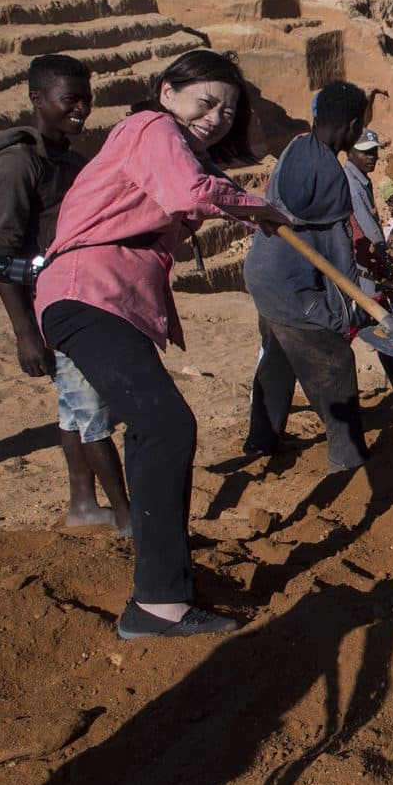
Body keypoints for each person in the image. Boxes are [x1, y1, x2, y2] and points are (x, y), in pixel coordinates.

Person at [35, 49, 285, 638]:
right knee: (165, 425)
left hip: (108, 300)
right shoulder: (150, 127)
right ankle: (158, 603)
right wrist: (263, 210)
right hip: (86, 293)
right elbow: (190, 193)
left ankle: (164, 583)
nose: (217, 116)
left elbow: (203, 185)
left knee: (160, 426)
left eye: (228, 110)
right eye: (207, 101)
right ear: (167, 90)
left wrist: (259, 214)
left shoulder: (169, 143)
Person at [0, 55, 131, 533]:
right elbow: (2, 257)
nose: (82, 109)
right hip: (52, 309)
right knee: (92, 411)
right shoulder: (17, 163)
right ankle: (130, 519)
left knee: (73, 408)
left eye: (86, 99)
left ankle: (84, 506)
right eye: (70, 100)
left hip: (72, 296)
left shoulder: (66, 158)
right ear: (37, 100)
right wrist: (25, 333)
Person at [244, 81, 371, 472]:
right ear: (351, 126)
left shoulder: (297, 145)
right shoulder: (331, 178)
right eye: (362, 127)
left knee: (280, 352)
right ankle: (347, 459)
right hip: (291, 288)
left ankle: (262, 437)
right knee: (334, 363)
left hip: (262, 271)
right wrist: (354, 308)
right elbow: (338, 253)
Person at [343, 128, 393, 387]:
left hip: (372, 272)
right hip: (362, 274)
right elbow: (367, 233)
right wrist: (382, 263)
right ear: (350, 152)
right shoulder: (350, 184)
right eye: (365, 153)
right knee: (352, 329)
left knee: (384, 330)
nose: (372, 157)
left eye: (374, 152)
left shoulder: (361, 178)